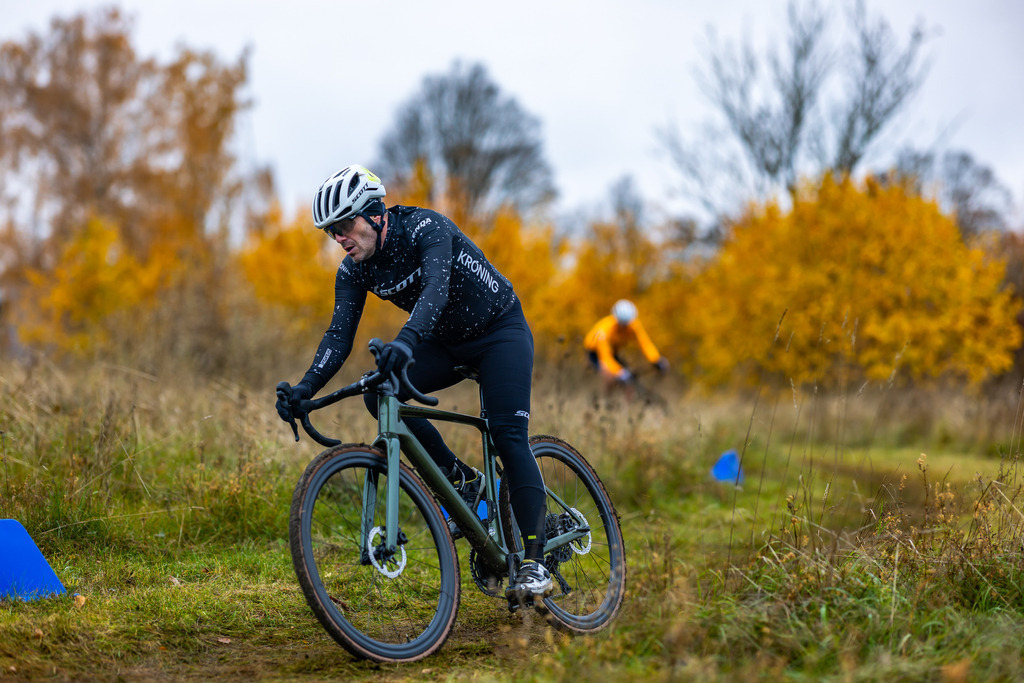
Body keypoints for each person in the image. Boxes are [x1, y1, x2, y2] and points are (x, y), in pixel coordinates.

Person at [275, 165, 552, 602]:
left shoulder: (425, 227)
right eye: (331, 233)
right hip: (446, 340)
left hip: (499, 331)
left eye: (344, 225)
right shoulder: (354, 270)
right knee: (376, 390)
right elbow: (338, 336)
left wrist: (405, 343)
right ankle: (462, 481)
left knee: (507, 435)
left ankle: (535, 562)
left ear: (375, 213)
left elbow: (435, 292)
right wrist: (305, 388)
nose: (340, 239)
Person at [584, 299, 669, 397]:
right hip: (595, 352)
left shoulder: (633, 326)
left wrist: (656, 359)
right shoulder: (604, 331)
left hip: (613, 351)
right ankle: (605, 400)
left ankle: (628, 407)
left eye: (626, 324)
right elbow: (605, 358)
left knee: (629, 380)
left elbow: (645, 344)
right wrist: (620, 372)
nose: (624, 327)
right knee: (609, 374)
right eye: (621, 324)